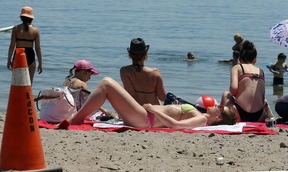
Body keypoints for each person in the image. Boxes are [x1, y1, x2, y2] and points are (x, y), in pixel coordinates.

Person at [59, 77, 236, 129]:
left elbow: (175, 125)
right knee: (107, 87)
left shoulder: (201, 119)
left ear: (218, 116)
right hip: (144, 116)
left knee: (107, 84)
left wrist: (153, 109)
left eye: (220, 107)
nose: (217, 104)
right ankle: (79, 117)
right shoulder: (201, 115)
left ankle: (76, 119)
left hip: (145, 119)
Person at [220, 40, 273, 122]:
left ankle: (221, 118)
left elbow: (233, 90)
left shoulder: (237, 67)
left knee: (225, 94)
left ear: (239, 59)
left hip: (239, 113)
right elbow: (262, 96)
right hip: (259, 116)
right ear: (255, 60)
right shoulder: (261, 71)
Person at [120, 38, 166, 106]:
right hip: (155, 111)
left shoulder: (124, 71)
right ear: (145, 55)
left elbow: (130, 95)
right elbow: (162, 97)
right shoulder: (155, 73)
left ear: (130, 55)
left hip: (138, 111)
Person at [7, 6, 42, 84]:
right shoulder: (36, 30)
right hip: (30, 56)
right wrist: (40, 64)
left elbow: (12, 46)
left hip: (18, 55)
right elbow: (38, 49)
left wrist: (9, 60)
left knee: (17, 83)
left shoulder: (16, 28)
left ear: (21, 18)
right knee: (29, 84)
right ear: (31, 18)